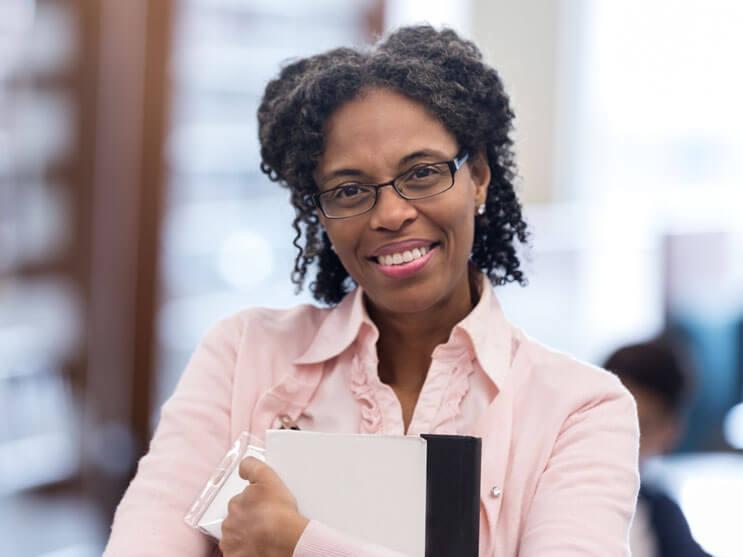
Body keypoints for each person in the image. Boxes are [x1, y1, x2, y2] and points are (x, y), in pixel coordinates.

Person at [104, 25, 640, 556]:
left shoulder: (581, 410)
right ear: (320, 214)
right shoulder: (242, 356)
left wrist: (298, 544)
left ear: (477, 175)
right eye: (351, 190)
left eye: (424, 173)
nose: (391, 214)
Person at [604, 341, 711, 557]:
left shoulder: (659, 513)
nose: (622, 438)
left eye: (641, 426)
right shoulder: (543, 493)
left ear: (671, 432)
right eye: (612, 419)